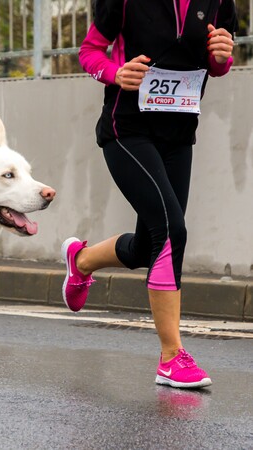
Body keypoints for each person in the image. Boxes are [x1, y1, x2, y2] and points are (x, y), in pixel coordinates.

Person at [62, 0, 237, 389]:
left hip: (178, 136)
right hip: (127, 132)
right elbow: (89, 51)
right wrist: (114, 72)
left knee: (148, 245)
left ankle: (82, 259)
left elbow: (217, 62)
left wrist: (222, 57)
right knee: (172, 231)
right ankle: (172, 357)